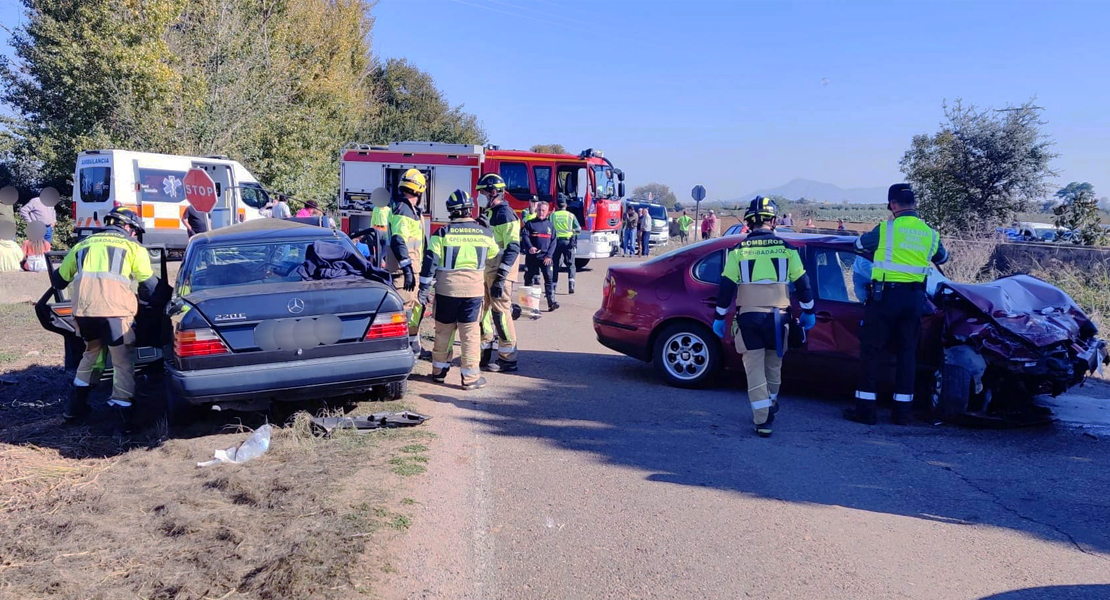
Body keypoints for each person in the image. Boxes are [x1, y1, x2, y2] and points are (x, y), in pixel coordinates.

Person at [844, 183, 948, 426]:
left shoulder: (886, 229)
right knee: (907, 354)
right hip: (914, 300)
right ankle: (902, 413)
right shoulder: (930, 233)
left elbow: (858, 246)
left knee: (872, 352)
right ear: (915, 204)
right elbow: (942, 257)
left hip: (885, 298)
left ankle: (866, 411)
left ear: (892, 205)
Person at [712, 197, 815, 437]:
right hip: (780, 319)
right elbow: (803, 283)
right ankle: (770, 403)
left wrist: (719, 317)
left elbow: (726, 287)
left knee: (754, 368)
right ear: (773, 221)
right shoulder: (788, 249)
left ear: (748, 223)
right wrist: (809, 312)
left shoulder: (739, 251)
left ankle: (762, 419)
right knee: (774, 364)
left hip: (749, 318)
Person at [52, 207, 159, 430]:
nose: (135, 235)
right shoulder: (132, 247)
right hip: (116, 313)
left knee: (91, 354)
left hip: (85, 314)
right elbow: (149, 287)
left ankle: (75, 407)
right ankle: (122, 412)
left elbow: (59, 280)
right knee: (121, 360)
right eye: (135, 231)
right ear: (128, 227)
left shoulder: (82, 245)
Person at [417, 189, 500, 391]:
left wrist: (424, 288)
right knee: (470, 334)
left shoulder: (442, 233)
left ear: (450, 211)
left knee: (443, 331)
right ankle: (470, 378)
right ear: (470, 209)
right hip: (473, 292)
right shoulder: (484, 233)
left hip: (446, 291)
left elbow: (430, 262)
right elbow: (495, 256)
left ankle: (438, 372)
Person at [475, 173, 521, 373]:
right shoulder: (490, 213)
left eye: (483, 192)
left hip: (500, 273)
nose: (480, 196)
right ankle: (483, 352)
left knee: (500, 314)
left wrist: (501, 278)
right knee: (481, 313)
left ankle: (508, 359)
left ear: (494, 192)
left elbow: (513, 248)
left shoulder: (506, 214)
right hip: (486, 271)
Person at [387, 169, 427, 355]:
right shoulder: (403, 210)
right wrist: (407, 267)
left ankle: (413, 345)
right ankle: (402, 349)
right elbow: (398, 239)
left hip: (411, 268)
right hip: (404, 271)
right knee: (404, 310)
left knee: (415, 306)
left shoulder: (409, 210)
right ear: (419, 191)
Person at [522, 200, 559, 311]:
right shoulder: (530, 224)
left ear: (547, 211)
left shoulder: (550, 226)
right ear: (536, 210)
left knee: (549, 280)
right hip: (532, 257)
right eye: (539, 210)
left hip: (545, 258)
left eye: (543, 210)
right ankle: (528, 305)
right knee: (529, 280)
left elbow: (554, 241)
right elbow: (525, 236)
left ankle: (551, 302)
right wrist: (530, 247)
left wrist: (549, 256)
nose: (541, 212)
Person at [551, 196, 581, 294]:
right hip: (568, 242)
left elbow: (549, 228)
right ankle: (571, 285)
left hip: (556, 243)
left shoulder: (552, 216)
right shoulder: (570, 216)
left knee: (555, 265)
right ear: (566, 205)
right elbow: (578, 229)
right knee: (571, 264)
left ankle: (553, 286)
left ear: (557, 205)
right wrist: (573, 236)